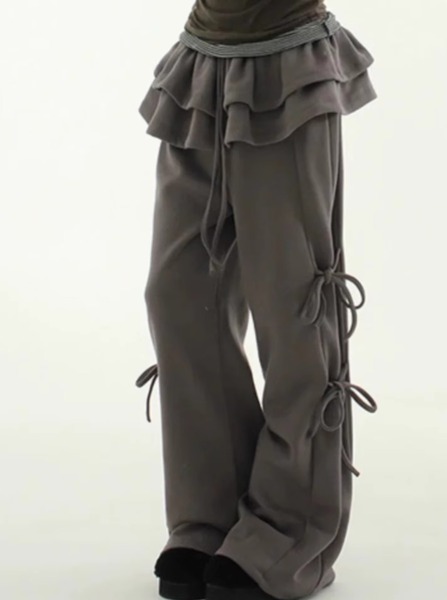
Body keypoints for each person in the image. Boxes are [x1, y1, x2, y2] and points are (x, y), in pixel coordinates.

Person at [135, 2, 379, 599]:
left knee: (293, 303)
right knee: (180, 295)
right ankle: (210, 514)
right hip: (203, 60)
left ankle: (292, 533)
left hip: (285, 58)